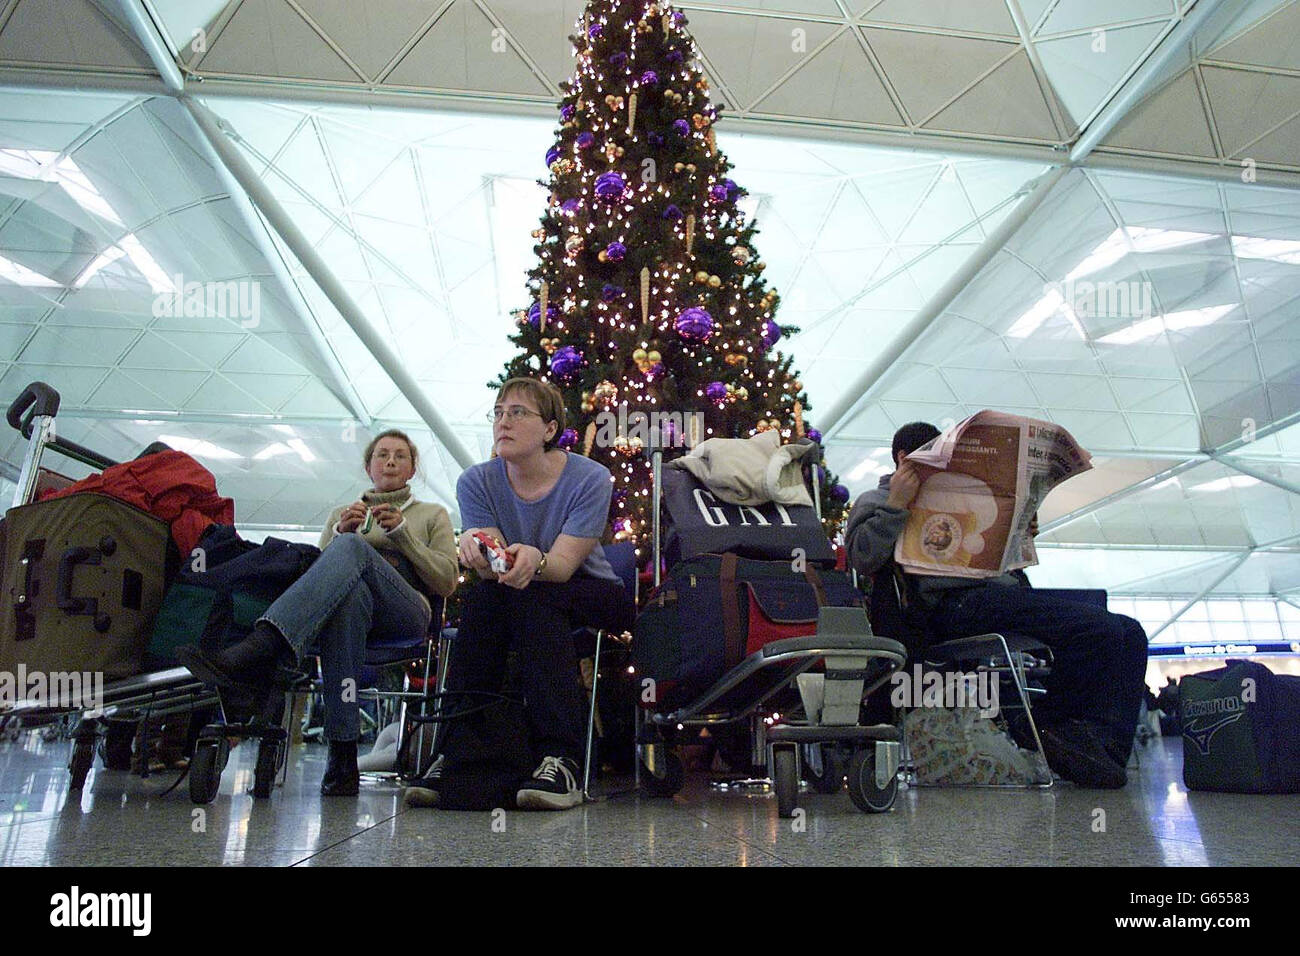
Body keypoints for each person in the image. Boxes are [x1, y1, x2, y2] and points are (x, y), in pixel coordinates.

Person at [846, 421, 1148, 789]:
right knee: (1096, 628)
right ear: (903, 459)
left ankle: (1102, 754)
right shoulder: (877, 501)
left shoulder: (967, 494)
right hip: (950, 606)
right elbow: (862, 557)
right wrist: (897, 504)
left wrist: (1018, 534)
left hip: (1000, 595)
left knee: (1131, 632)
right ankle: (1046, 725)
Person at [178, 430, 458, 796]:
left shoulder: (432, 514)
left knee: (353, 549)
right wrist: (340, 532)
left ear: (412, 469)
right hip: (355, 612)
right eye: (382, 454)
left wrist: (402, 535)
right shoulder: (341, 514)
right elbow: (316, 580)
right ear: (368, 466)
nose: (390, 461)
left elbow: (447, 581)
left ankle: (262, 645)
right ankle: (343, 759)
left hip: (406, 610)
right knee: (348, 599)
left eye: (400, 456)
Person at [410, 377, 634, 811]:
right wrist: (478, 550)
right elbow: (498, 568)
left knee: (537, 597)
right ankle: (457, 753)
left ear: (550, 429)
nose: (503, 422)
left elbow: (565, 566)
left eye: (517, 413)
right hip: (522, 591)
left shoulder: (591, 478)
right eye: (498, 413)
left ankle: (561, 756)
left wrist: (534, 559)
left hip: (594, 591)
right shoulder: (476, 481)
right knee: (481, 598)